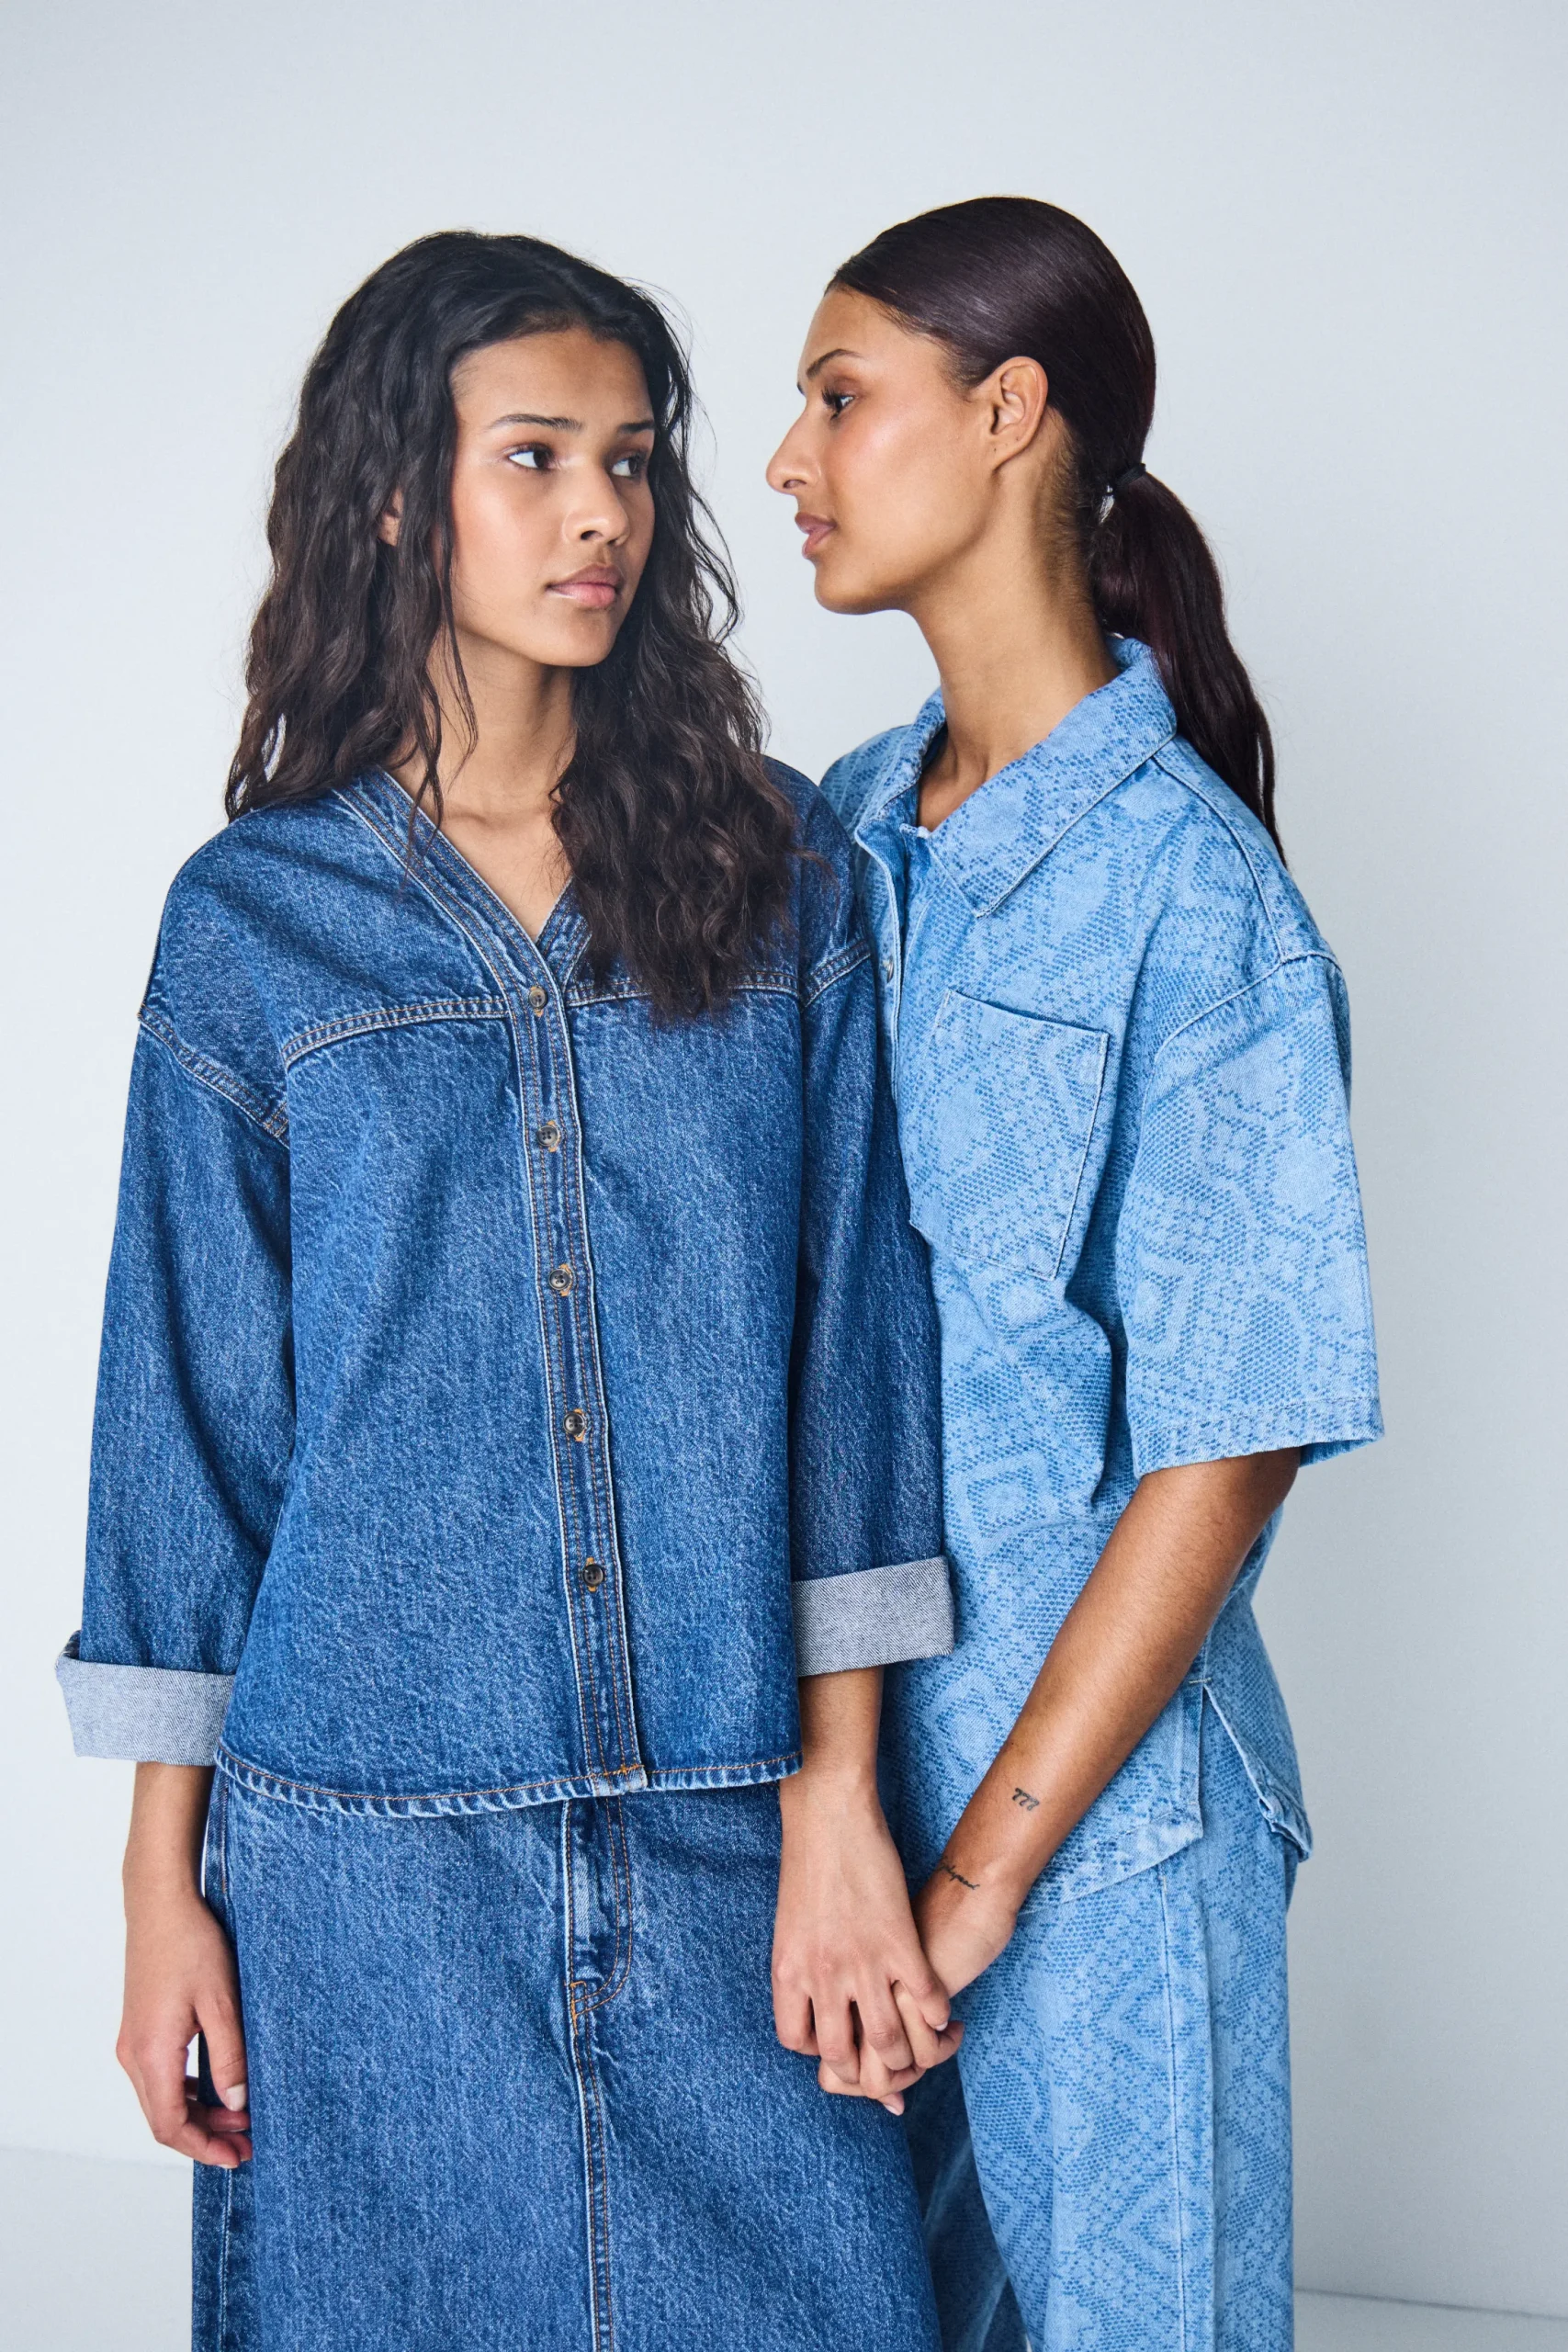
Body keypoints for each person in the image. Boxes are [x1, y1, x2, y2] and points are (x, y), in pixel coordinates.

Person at [57, 230, 963, 2352]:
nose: (598, 514)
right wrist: (158, 1888)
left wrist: (837, 1800)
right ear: (397, 495)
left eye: (631, 460)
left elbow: (852, 1366)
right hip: (359, 1853)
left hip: (731, 1810)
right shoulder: (254, 921)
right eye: (535, 455)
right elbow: (188, 1426)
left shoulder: (777, 873)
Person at [768, 196, 1382, 2352]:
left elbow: (1229, 1443)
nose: (788, 460)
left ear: (1007, 412)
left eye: (839, 396)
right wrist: (848, 1822)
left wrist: (983, 1874)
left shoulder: (1195, 894)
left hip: (1103, 1846)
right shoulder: (832, 836)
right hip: (842, 1823)